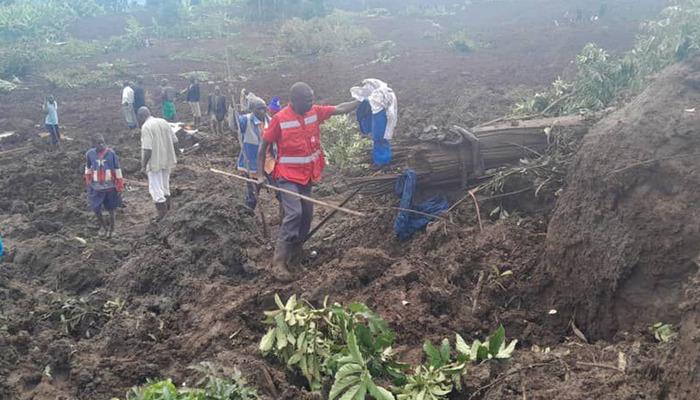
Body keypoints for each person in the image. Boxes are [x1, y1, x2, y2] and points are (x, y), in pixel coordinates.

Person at [256, 82, 360, 281]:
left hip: (307, 175)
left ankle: (296, 253)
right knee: (294, 213)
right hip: (286, 176)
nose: (312, 103)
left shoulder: (314, 112)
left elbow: (340, 108)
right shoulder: (280, 119)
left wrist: (362, 100)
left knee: (307, 215)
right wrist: (260, 175)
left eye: (312, 99)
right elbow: (263, 148)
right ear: (294, 101)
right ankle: (278, 262)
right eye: (307, 100)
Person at [138, 106, 178, 220]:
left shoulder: (146, 127)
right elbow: (175, 141)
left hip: (155, 162)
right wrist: (176, 155)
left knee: (156, 189)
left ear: (141, 116)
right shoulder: (163, 122)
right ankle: (168, 213)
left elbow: (147, 149)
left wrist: (143, 166)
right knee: (165, 186)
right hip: (167, 159)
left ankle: (163, 217)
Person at [84, 134, 124, 238]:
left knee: (111, 208)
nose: (102, 145)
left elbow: (117, 169)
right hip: (96, 187)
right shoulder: (90, 154)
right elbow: (88, 168)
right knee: (96, 208)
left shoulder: (111, 153)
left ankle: (112, 229)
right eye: (99, 143)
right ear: (93, 144)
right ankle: (103, 227)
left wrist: (119, 185)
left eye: (103, 142)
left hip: (110, 186)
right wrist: (89, 182)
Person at [235, 95, 270, 210]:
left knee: (281, 191)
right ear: (253, 110)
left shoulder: (271, 121)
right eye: (259, 108)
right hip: (252, 162)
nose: (262, 111)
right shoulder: (246, 120)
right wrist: (233, 113)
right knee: (253, 192)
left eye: (264, 108)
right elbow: (234, 125)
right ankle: (248, 213)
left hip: (270, 162)